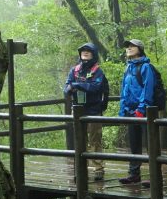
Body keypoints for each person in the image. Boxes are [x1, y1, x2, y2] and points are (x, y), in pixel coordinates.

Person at [64, 42, 108, 181]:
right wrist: (74, 87)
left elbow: (95, 87)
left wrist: (76, 85)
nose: (85, 52)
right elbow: (66, 89)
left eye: (88, 51)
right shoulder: (75, 70)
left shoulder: (97, 71)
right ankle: (80, 169)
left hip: (94, 109)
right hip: (78, 109)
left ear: (93, 54)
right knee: (79, 139)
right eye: (83, 51)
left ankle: (98, 169)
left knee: (95, 140)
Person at [117, 39, 156, 185]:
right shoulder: (128, 68)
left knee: (150, 144)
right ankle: (134, 174)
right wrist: (123, 110)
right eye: (127, 46)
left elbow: (148, 89)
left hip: (144, 112)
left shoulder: (146, 67)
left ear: (140, 48)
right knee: (134, 144)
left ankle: (155, 176)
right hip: (130, 111)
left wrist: (141, 109)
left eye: (132, 46)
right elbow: (124, 91)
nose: (128, 48)